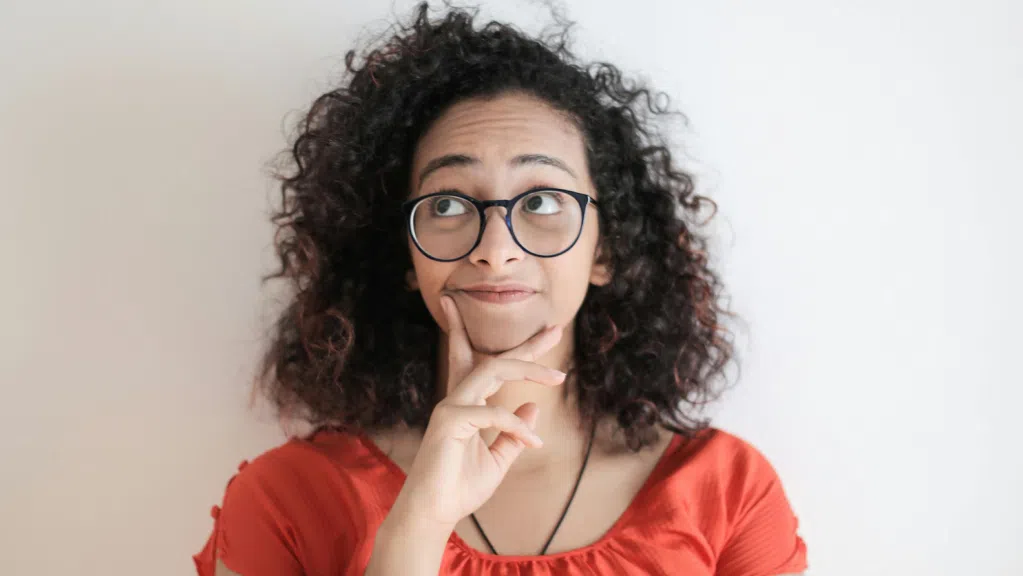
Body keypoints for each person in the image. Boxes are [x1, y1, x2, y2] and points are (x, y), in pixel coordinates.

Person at [194, 2, 808, 574]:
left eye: (541, 200)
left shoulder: (728, 493)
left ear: (607, 248)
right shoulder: (287, 501)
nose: (495, 249)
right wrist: (418, 525)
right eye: (449, 203)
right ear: (408, 256)